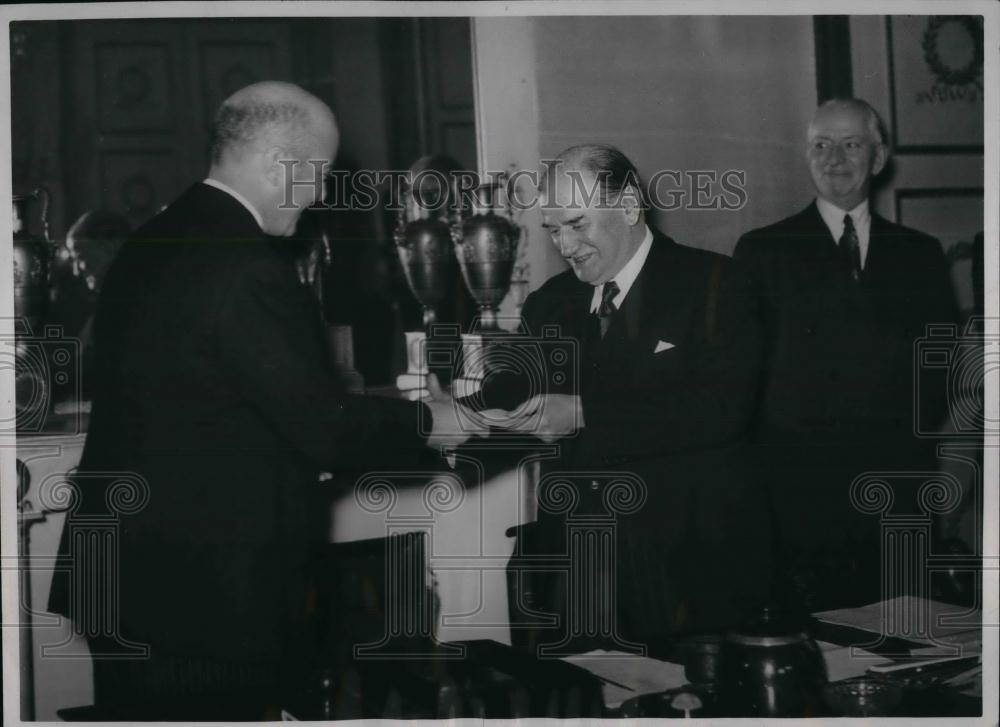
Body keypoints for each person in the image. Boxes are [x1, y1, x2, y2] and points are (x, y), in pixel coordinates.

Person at [47, 81, 473, 719]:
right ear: (280, 165)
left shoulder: (153, 240)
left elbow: (207, 402)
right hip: (203, 599)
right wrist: (433, 421)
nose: (321, 195)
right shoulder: (248, 265)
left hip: (122, 579)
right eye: (320, 175)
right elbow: (324, 427)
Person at [478, 144, 770, 654]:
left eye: (577, 224)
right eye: (553, 230)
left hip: (686, 567)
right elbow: (513, 391)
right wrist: (465, 413)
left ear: (630, 206)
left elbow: (722, 411)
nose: (565, 245)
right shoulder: (550, 302)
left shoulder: (716, 284)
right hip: (581, 571)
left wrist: (583, 413)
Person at [733, 98, 957, 614]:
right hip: (800, 498)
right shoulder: (764, 251)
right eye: (821, 145)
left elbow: (939, 372)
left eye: (851, 144)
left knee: (904, 633)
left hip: (896, 491)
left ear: (878, 158)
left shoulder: (920, 253)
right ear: (807, 155)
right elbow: (744, 378)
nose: (834, 159)